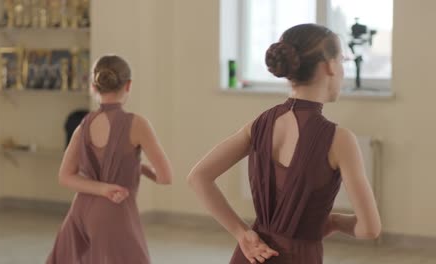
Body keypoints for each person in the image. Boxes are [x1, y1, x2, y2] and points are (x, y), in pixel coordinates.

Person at [187, 24, 381, 264]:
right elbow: (370, 228)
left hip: (252, 255)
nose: (342, 70)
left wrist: (242, 233)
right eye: (341, 61)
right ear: (330, 66)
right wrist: (334, 221)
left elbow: (198, 177)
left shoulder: (259, 124)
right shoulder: (340, 139)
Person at [47, 55, 173, 264]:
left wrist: (104, 187)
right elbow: (165, 177)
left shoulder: (83, 125)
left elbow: (65, 176)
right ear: (128, 85)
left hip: (80, 212)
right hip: (116, 213)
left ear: (94, 86)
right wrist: (141, 170)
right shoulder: (137, 124)